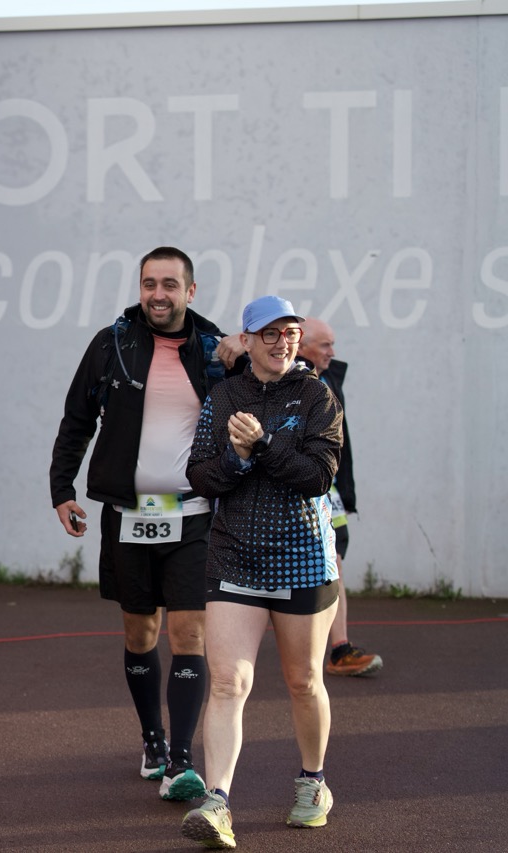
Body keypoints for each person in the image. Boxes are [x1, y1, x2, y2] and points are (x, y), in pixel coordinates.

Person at [49, 246, 228, 802]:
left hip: (193, 517)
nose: (158, 294)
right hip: (127, 516)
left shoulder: (215, 350)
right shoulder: (111, 344)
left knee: (189, 633)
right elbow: (77, 419)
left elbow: (261, 394)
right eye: (150, 283)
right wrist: (61, 490)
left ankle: (181, 760)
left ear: (190, 292)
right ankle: (153, 741)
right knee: (140, 633)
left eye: (170, 284)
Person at [180, 295, 343, 849]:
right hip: (236, 557)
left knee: (304, 681)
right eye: (269, 333)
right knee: (228, 682)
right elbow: (201, 475)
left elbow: (318, 476)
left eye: (289, 332)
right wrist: (236, 457)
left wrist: (263, 444)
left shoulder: (317, 395)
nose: (281, 342)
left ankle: (312, 782)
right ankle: (217, 801)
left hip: (303, 558)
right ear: (246, 341)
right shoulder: (224, 395)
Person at [298, 317, 383, 678]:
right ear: (301, 345)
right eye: (325, 344)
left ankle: (339, 649)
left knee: (334, 561)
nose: (333, 351)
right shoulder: (283, 379)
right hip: (293, 492)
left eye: (332, 343)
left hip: (328, 491)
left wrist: (343, 490)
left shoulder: (330, 378)